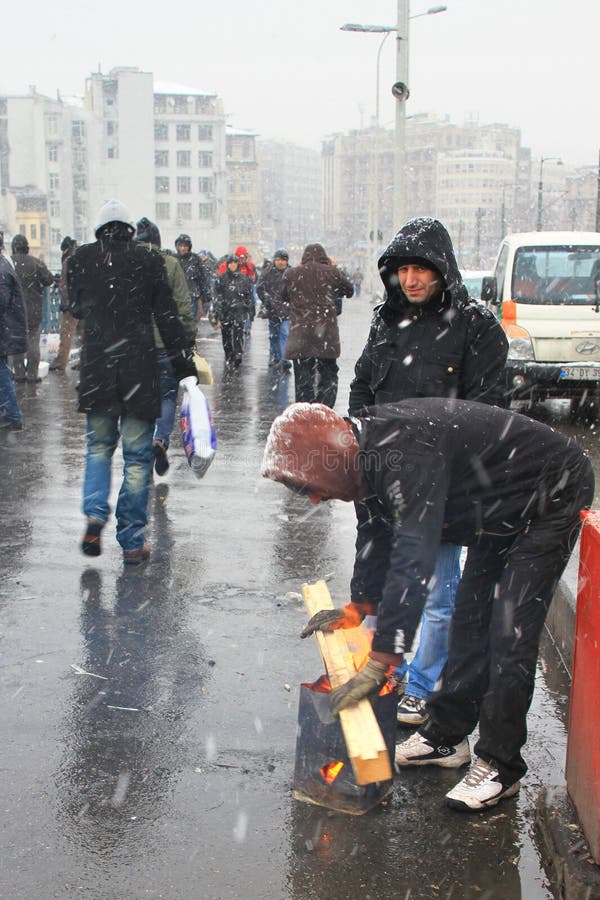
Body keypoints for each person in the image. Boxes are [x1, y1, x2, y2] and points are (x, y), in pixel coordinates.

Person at [262, 399, 594, 812]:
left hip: (549, 492)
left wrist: (381, 660)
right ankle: (446, 737)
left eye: (306, 486)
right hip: (497, 501)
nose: (312, 500)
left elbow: (412, 559)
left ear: (329, 461)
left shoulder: (404, 455)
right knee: (470, 618)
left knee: (510, 630)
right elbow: (376, 533)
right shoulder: (362, 459)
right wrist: (359, 607)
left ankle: (501, 766)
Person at [349, 217, 508, 727]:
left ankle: (421, 684)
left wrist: (459, 472)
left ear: (443, 270)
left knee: (438, 589)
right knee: (378, 578)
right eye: (403, 269)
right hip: (383, 475)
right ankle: (380, 669)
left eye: (422, 268)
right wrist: (360, 440)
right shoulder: (384, 319)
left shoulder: (476, 326)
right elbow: (361, 386)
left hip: (441, 483)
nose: (412, 280)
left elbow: (488, 410)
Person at [68, 199, 196, 565]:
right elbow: (168, 318)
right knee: (137, 460)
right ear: (129, 230)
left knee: (98, 448)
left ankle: (95, 514)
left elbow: (76, 307)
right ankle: (132, 541)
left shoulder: (81, 260)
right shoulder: (150, 261)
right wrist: (183, 365)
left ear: (100, 229)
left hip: (98, 373)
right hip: (139, 371)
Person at [135, 218, 196, 476]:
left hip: (136, 344)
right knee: (167, 394)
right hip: (166, 343)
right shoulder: (170, 264)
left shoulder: (129, 265)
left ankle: (142, 446)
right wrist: (189, 336)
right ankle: (160, 440)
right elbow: (184, 305)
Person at [283, 243, 353, 408]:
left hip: (301, 334)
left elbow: (284, 296)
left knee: (303, 378)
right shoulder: (332, 273)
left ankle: (304, 412)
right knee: (328, 375)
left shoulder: (292, 274)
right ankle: (323, 409)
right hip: (325, 335)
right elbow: (349, 290)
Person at [9, 234, 55, 383]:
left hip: (15, 310)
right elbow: (48, 280)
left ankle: (19, 373)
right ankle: (32, 375)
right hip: (33, 309)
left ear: (14, 247)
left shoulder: (8, 263)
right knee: (33, 342)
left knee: (16, 343)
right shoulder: (36, 263)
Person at [0, 231, 27, 429]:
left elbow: (2, 300)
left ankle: (12, 414)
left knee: (1, 370)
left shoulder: (1, 268)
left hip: (4, 328)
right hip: (7, 327)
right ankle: (9, 412)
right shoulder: (3, 263)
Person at [211, 255, 254, 369]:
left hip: (239, 311)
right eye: (231, 263)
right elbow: (217, 295)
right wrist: (217, 310)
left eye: (235, 263)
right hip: (226, 311)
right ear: (228, 264)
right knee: (226, 335)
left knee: (238, 333)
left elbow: (249, 295)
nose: (233, 265)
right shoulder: (222, 279)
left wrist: (249, 308)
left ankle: (238, 353)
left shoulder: (244, 278)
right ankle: (229, 354)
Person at [256, 249, 292, 373]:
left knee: (284, 333)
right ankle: (276, 357)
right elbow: (260, 288)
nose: (281, 262)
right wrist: (267, 300)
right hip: (272, 310)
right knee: (274, 335)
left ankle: (284, 358)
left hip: (287, 310)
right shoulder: (268, 273)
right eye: (278, 259)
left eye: (283, 260)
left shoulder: (291, 273)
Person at [49, 236, 79, 372]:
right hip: (83, 303)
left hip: (71, 305)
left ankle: (61, 361)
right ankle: (85, 361)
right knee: (84, 335)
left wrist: (66, 303)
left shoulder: (68, 261)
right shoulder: (80, 258)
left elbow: (65, 284)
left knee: (65, 334)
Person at [174, 234, 213, 321]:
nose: (183, 248)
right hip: (176, 298)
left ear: (189, 247)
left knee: (190, 324)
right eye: (181, 246)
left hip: (192, 298)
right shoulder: (174, 259)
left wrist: (205, 297)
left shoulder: (195, 260)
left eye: (185, 246)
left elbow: (203, 279)